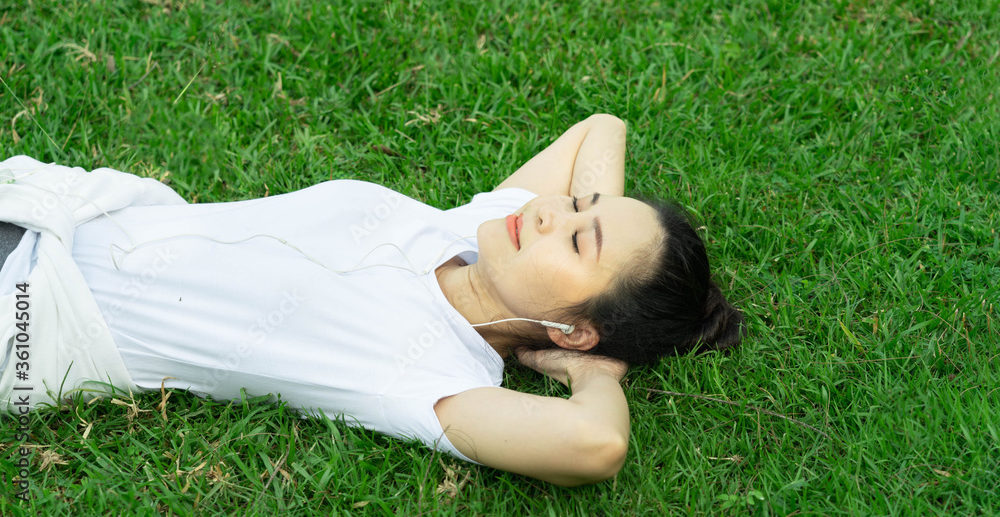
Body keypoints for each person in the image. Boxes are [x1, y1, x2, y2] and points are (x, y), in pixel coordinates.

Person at [0, 114, 744, 486]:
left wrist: (594, 371)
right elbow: (602, 127)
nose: (552, 212)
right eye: (578, 204)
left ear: (573, 330)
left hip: (32, 317)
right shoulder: (464, 231)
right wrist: (596, 251)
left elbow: (596, 445)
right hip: (58, 208)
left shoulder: (429, 376)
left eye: (579, 241)